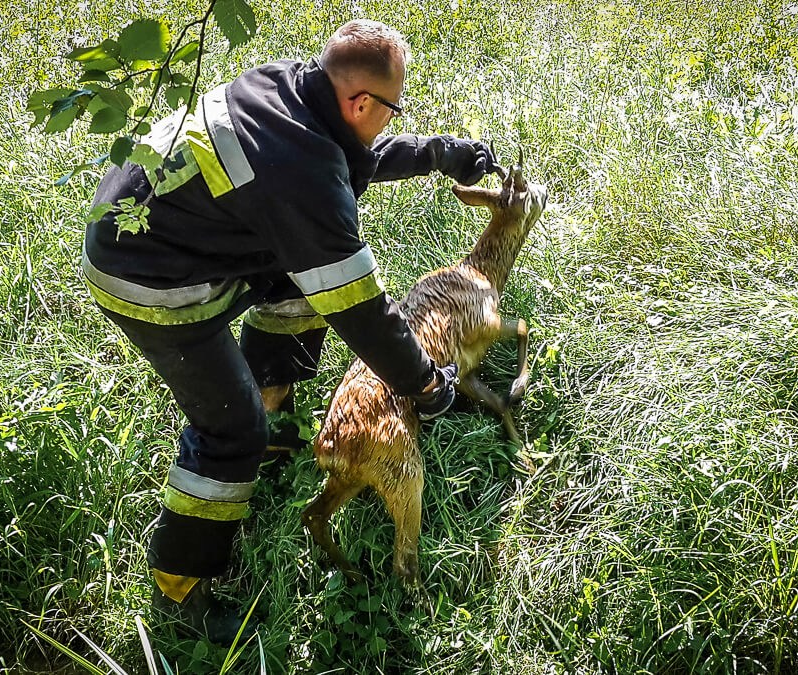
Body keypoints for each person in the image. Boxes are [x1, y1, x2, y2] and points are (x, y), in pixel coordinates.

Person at [82, 18, 499, 643]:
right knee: (230, 428)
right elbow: (363, 313)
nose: (392, 119)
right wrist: (426, 386)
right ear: (360, 101)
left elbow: (341, 155)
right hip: (147, 276)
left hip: (164, 228)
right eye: (392, 109)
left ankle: (276, 414)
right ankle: (181, 587)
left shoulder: (289, 91)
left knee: (301, 293)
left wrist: (435, 153)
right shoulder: (302, 176)